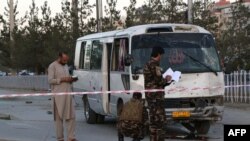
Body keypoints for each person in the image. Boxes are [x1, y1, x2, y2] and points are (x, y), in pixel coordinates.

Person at [143, 46, 172, 141]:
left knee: (153, 120)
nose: (161, 57)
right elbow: (159, 81)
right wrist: (168, 79)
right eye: (161, 55)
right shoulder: (155, 65)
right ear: (158, 54)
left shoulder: (147, 63)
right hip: (156, 98)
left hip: (150, 96)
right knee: (159, 121)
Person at [48, 52, 78, 141]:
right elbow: (50, 80)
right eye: (64, 60)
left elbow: (67, 78)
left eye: (66, 60)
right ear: (59, 57)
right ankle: (60, 138)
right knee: (58, 119)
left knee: (71, 116)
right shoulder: (52, 66)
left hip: (68, 95)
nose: (65, 62)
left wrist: (71, 79)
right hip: (58, 97)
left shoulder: (65, 66)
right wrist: (62, 79)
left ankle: (71, 137)